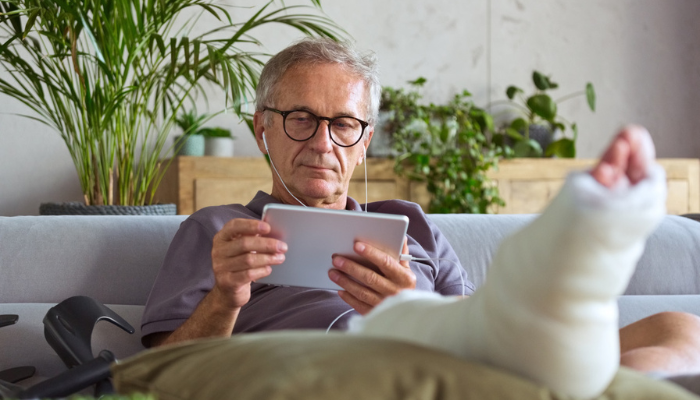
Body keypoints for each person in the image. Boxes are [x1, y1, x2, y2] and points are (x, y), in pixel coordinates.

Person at [141, 38, 700, 398]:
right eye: (301, 120)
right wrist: (226, 297)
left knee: (680, 327)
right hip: (322, 375)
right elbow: (160, 376)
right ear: (262, 128)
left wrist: (412, 307)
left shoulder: (409, 223)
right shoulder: (220, 229)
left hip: (454, 364)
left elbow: (487, 324)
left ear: (365, 141)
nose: (323, 143)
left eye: (343, 125)